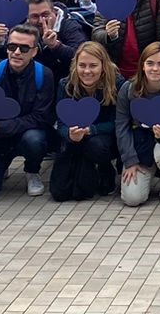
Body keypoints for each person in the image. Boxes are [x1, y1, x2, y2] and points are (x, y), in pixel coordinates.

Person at [0, 23, 59, 200]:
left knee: (35, 139)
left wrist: (0, 126)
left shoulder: (44, 75)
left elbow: (41, 117)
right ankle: (1, 164)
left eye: (24, 48)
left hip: (25, 134)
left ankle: (32, 170)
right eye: (12, 46)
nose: (16, 52)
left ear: (34, 51)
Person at [114, 41, 160, 206]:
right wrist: (130, 160)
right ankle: (145, 172)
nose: (155, 69)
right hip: (140, 145)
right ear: (142, 65)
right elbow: (122, 126)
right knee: (133, 199)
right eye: (150, 63)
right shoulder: (128, 89)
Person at [50, 40, 121, 202]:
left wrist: (91, 130)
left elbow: (119, 122)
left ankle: (105, 169)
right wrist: (69, 134)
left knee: (95, 146)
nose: (87, 71)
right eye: (82, 65)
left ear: (103, 65)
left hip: (105, 139)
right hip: (75, 139)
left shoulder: (117, 84)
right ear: (75, 65)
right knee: (59, 193)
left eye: (93, 65)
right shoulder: (65, 84)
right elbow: (60, 123)